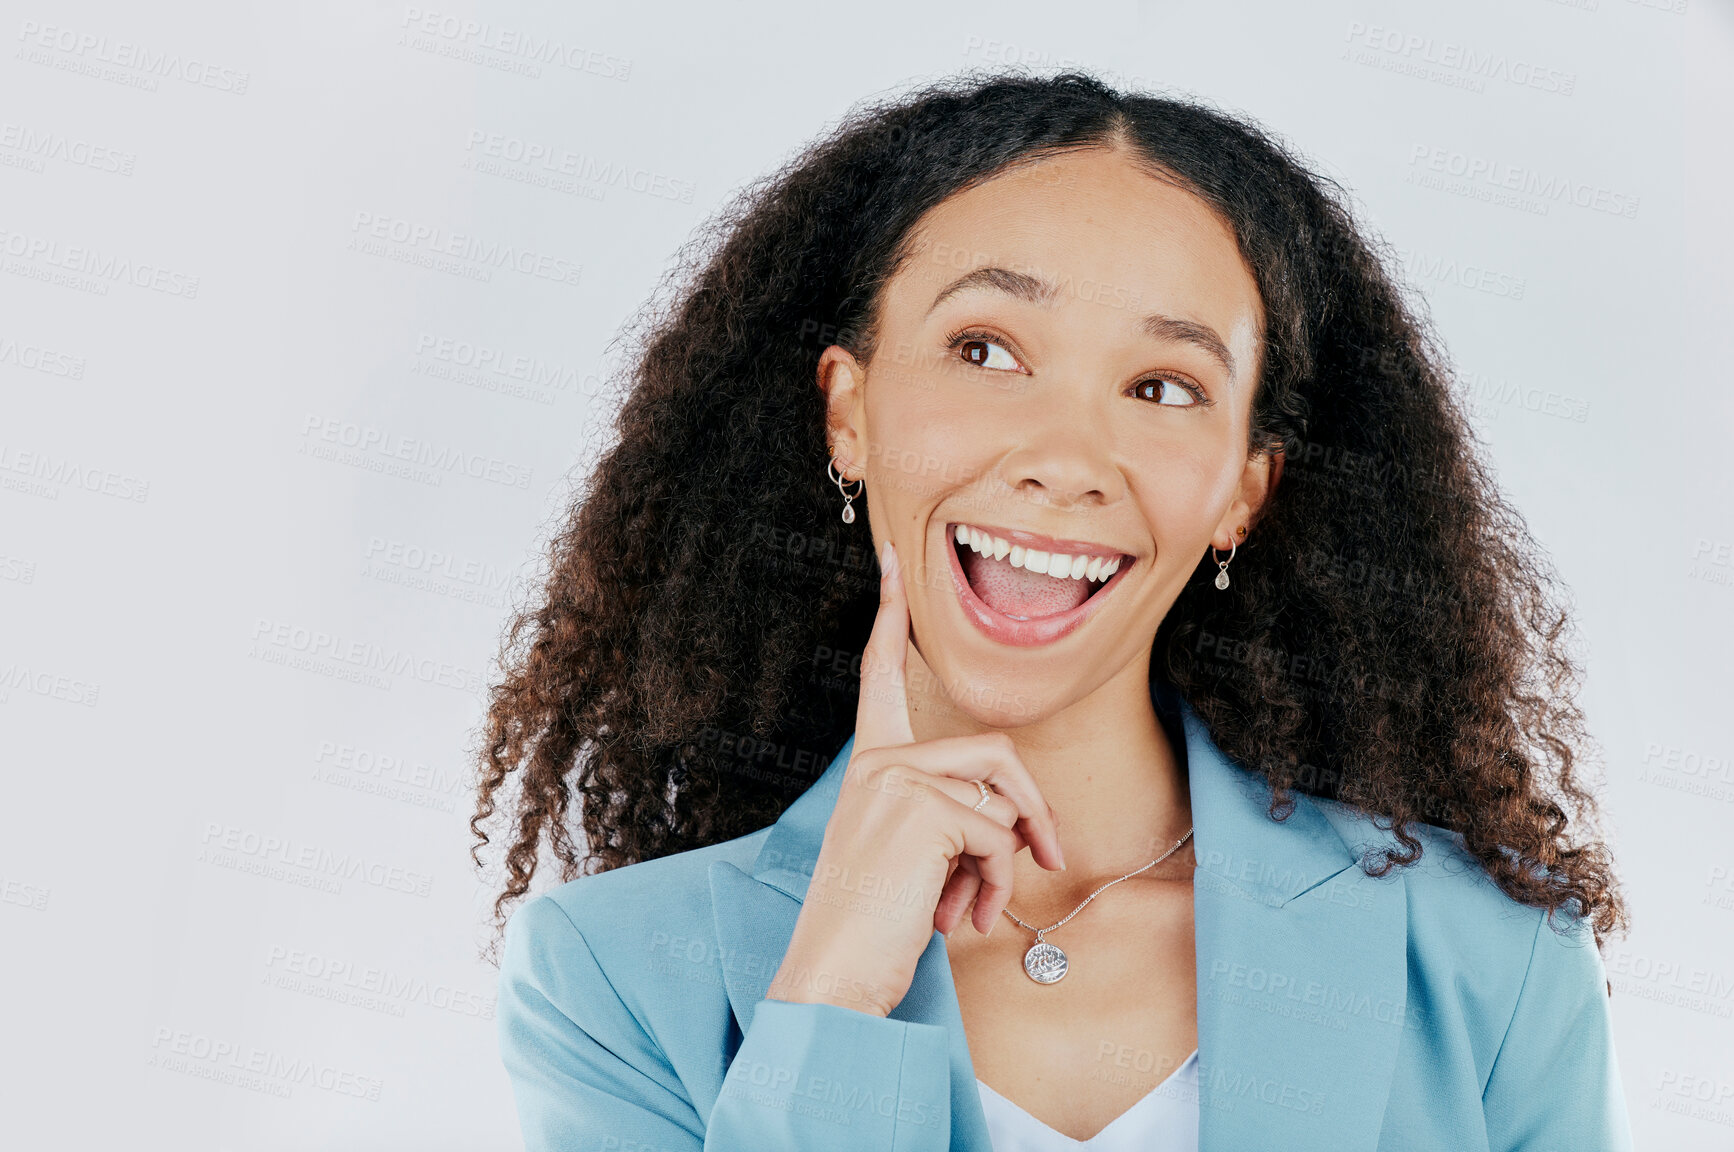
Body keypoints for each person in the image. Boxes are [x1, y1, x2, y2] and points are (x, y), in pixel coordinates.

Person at [473, 71, 1634, 1150]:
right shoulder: (613, 976)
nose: (1067, 458)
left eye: (1163, 387)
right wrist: (830, 993)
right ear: (849, 411)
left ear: (1243, 488)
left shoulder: (1492, 960)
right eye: (985, 349)